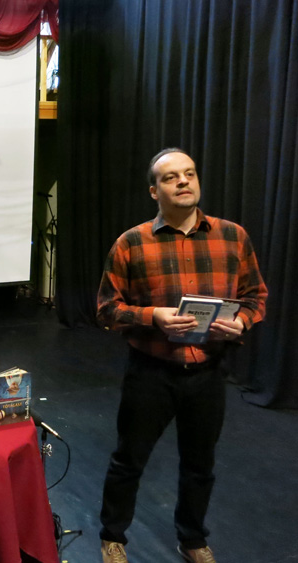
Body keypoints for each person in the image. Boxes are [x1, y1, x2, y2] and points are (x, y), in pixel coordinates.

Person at [96, 148, 268, 563]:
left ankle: (192, 539)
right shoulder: (131, 243)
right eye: (171, 177)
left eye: (189, 173)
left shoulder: (233, 237)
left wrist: (242, 323)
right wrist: (153, 317)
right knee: (128, 461)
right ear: (154, 191)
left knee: (200, 465)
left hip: (208, 373)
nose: (184, 182)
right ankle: (113, 537)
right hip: (150, 372)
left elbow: (255, 296)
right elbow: (106, 309)